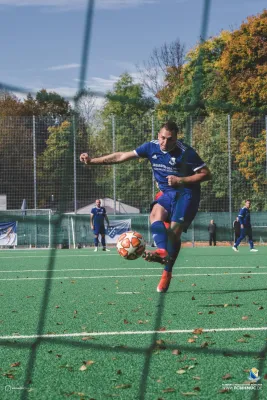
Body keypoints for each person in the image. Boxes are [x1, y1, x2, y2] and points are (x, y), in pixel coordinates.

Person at [80, 121, 211, 292]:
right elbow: (121, 156)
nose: (165, 143)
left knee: (174, 234)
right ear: (158, 135)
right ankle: (162, 251)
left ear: (176, 138)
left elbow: (206, 174)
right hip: (167, 193)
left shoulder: (187, 153)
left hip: (187, 194)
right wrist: (92, 161)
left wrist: (181, 180)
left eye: (170, 139)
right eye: (162, 138)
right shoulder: (151, 147)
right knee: (155, 214)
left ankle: (167, 272)